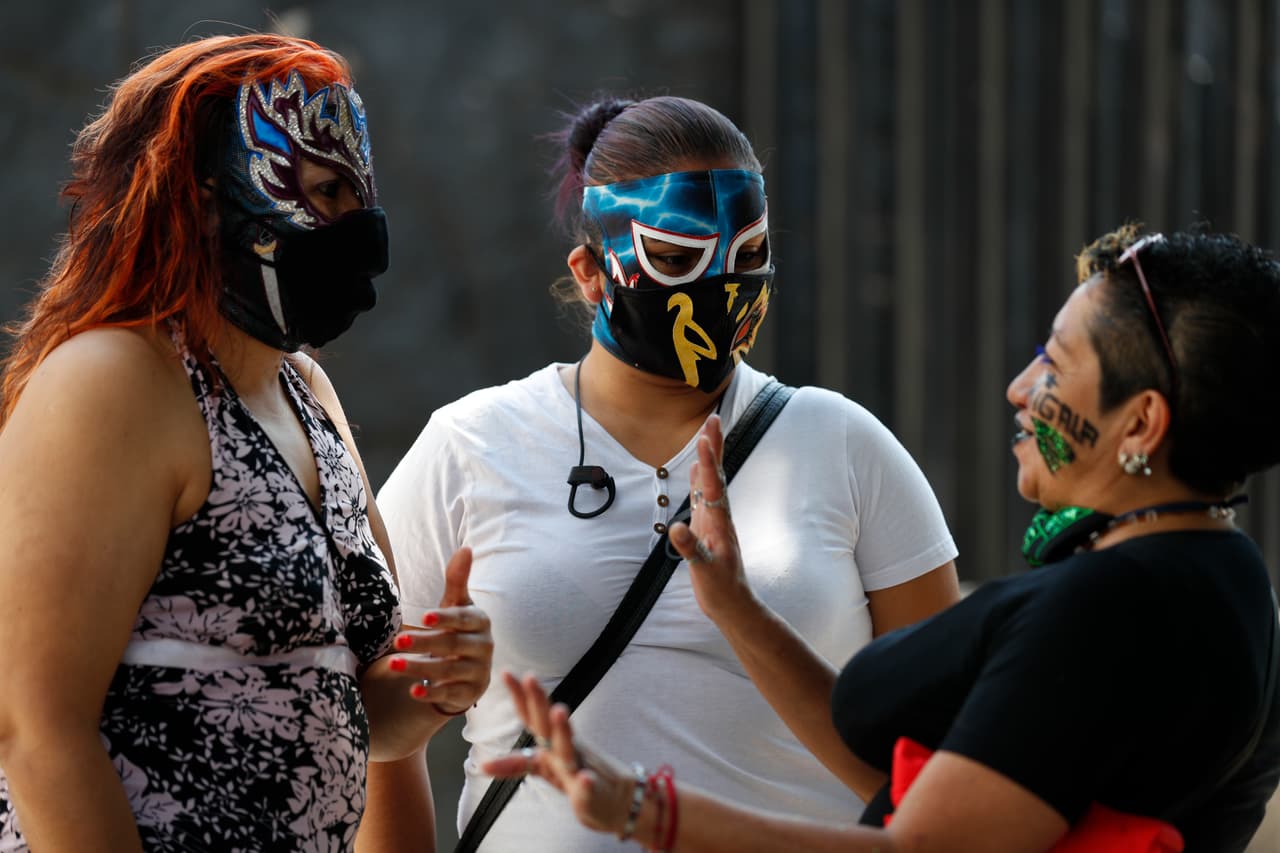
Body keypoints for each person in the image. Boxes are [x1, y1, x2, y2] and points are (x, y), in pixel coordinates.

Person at [485, 224, 1280, 852]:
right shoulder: (1226, 578)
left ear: (1140, 421)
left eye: (1055, 365)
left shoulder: (1104, 609)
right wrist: (735, 607)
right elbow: (925, 783)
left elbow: (921, 847)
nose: (1020, 386)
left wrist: (640, 810)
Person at [373, 94, 960, 851]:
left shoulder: (847, 446)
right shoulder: (468, 445)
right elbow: (382, 740)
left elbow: (949, 760)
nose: (721, 283)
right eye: (676, 259)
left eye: (749, 255)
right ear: (589, 273)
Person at [0, 34, 492, 851]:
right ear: (202, 200)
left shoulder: (306, 389)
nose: (359, 226)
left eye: (359, 192)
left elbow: (348, 711)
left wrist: (437, 682)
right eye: (325, 190)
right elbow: (32, 726)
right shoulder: (114, 378)